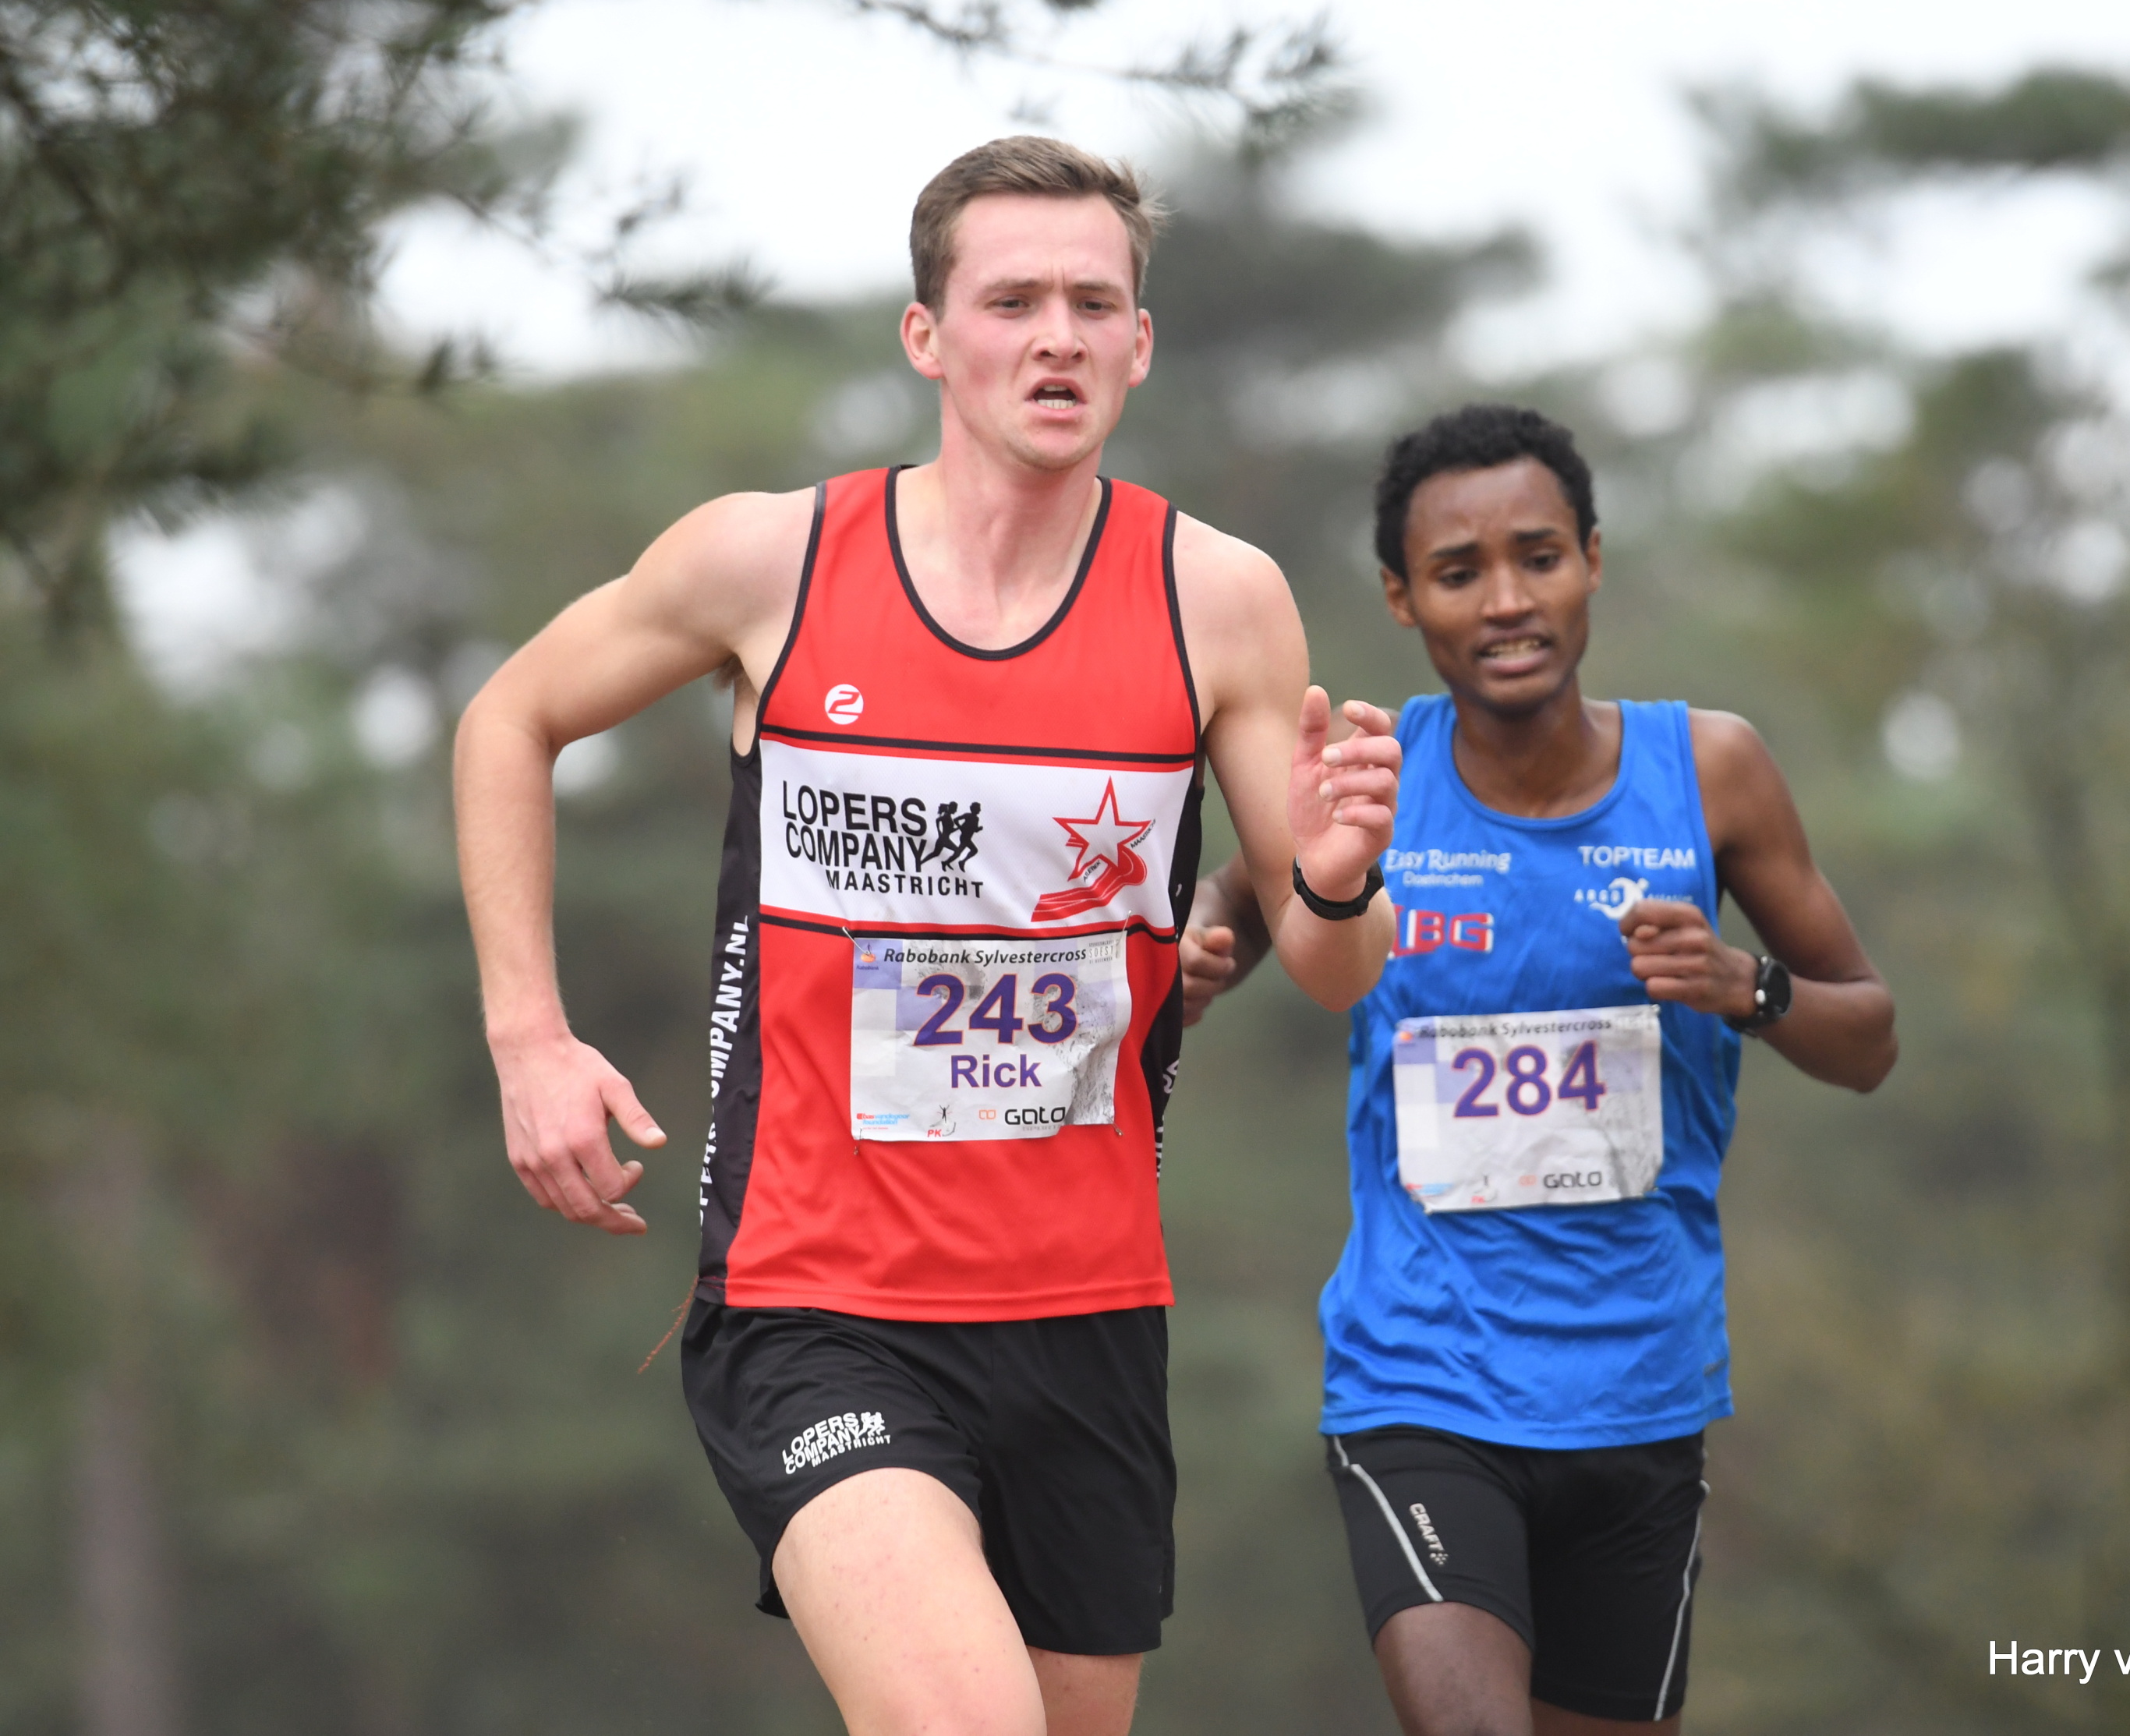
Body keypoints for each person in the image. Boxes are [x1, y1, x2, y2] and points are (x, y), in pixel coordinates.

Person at [452, 136, 1403, 1736]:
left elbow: (1332, 972)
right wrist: (527, 1038)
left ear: (1140, 343)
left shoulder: (1215, 598)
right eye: (1012, 301)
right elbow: (510, 717)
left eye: (1092, 304)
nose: (1056, 337)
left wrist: (1334, 875)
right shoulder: (773, 560)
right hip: (818, 1302)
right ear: (926, 336)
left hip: (1088, 1317)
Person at [1178, 404, 1897, 1734]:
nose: (1506, 601)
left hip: (1640, 1394)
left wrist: (1745, 986)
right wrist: (1196, 952)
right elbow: (1240, 900)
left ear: (1592, 562)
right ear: (1401, 597)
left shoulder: (1712, 772)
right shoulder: (1379, 778)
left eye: (1539, 557)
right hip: (1422, 1379)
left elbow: (1868, 1036)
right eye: (1458, 572)